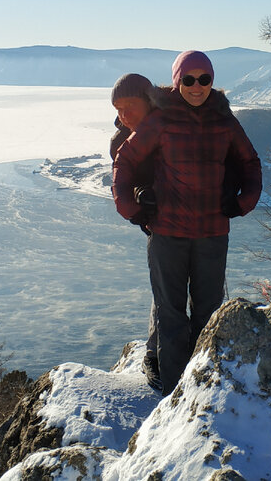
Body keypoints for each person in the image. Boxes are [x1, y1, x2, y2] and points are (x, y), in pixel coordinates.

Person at [113, 50, 262, 395]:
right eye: (189, 79)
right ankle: (175, 394)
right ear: (177, 80)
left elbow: (250, 162)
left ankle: (204, 387)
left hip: (212, 232)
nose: (197, 86)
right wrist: (130, 207)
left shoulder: (224, 121)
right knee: (171, 314)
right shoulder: (162, 120)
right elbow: (126, 159)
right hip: (168, 232)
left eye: (204, 79)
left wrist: (242, 202)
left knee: (209, 313)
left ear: (212, 81)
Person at [108, 72, 162, 391]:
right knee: (165, 291)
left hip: (194, 218)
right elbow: (124, 191)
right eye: (118, 108)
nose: (124, 114)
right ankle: (154, 355)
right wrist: (141, 212)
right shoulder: (121, 143)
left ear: (148, 101)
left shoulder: (171, 125)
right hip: (158, 224)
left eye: (130, 105)